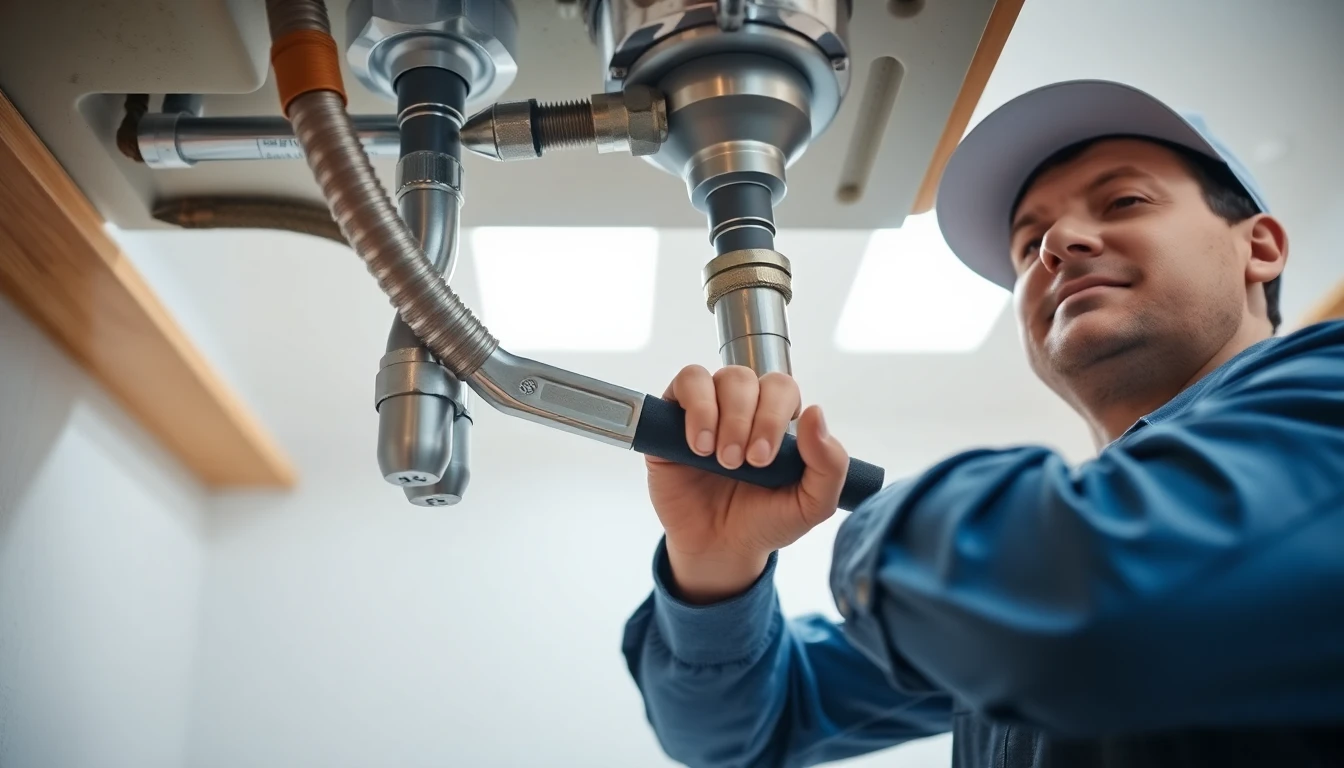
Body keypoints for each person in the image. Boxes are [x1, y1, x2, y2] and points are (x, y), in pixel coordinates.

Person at [621, 80, 1344, 767]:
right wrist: (713, 561)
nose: (1058, 242)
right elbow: (740, 735)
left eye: (1123, 200)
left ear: (1261, 246)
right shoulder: (1011, 592)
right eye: (1028, 246)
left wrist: (889, 521)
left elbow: (1101, 605)